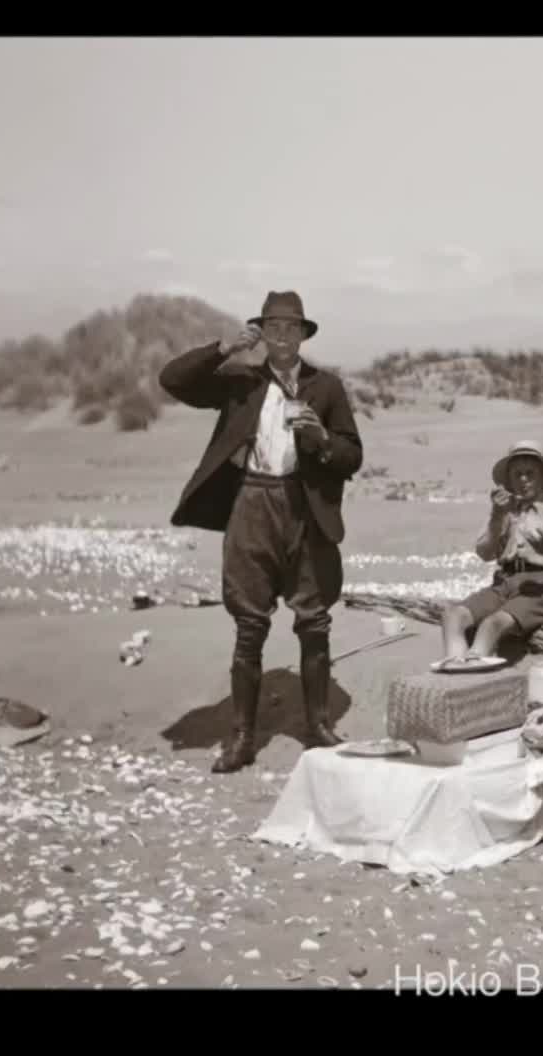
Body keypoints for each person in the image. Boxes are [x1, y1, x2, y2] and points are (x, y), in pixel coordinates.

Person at [159, 291, 364, 774]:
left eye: (291, 328)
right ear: (261, 333)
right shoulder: (240, 381)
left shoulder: (326, 387)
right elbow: (173, 380)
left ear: (303, 334)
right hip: (252, 503)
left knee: (314, 621)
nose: (282, 337)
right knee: (250, 625)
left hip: (305, 506)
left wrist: (321, 441)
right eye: (273, 328)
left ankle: (317, 726)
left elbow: (353, 455)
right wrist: (222, 349)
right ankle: (242, 737)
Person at [440, 440, 543, 668]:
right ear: (508, 480)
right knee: (453, 616)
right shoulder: (503, 509)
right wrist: (497, 516)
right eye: (517, 474)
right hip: (502, 584)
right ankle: (454, 673)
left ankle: (474, 673)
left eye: (530, 473)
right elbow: (485, 553)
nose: (523, 479)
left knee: (491, 625)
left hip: (540, 588)